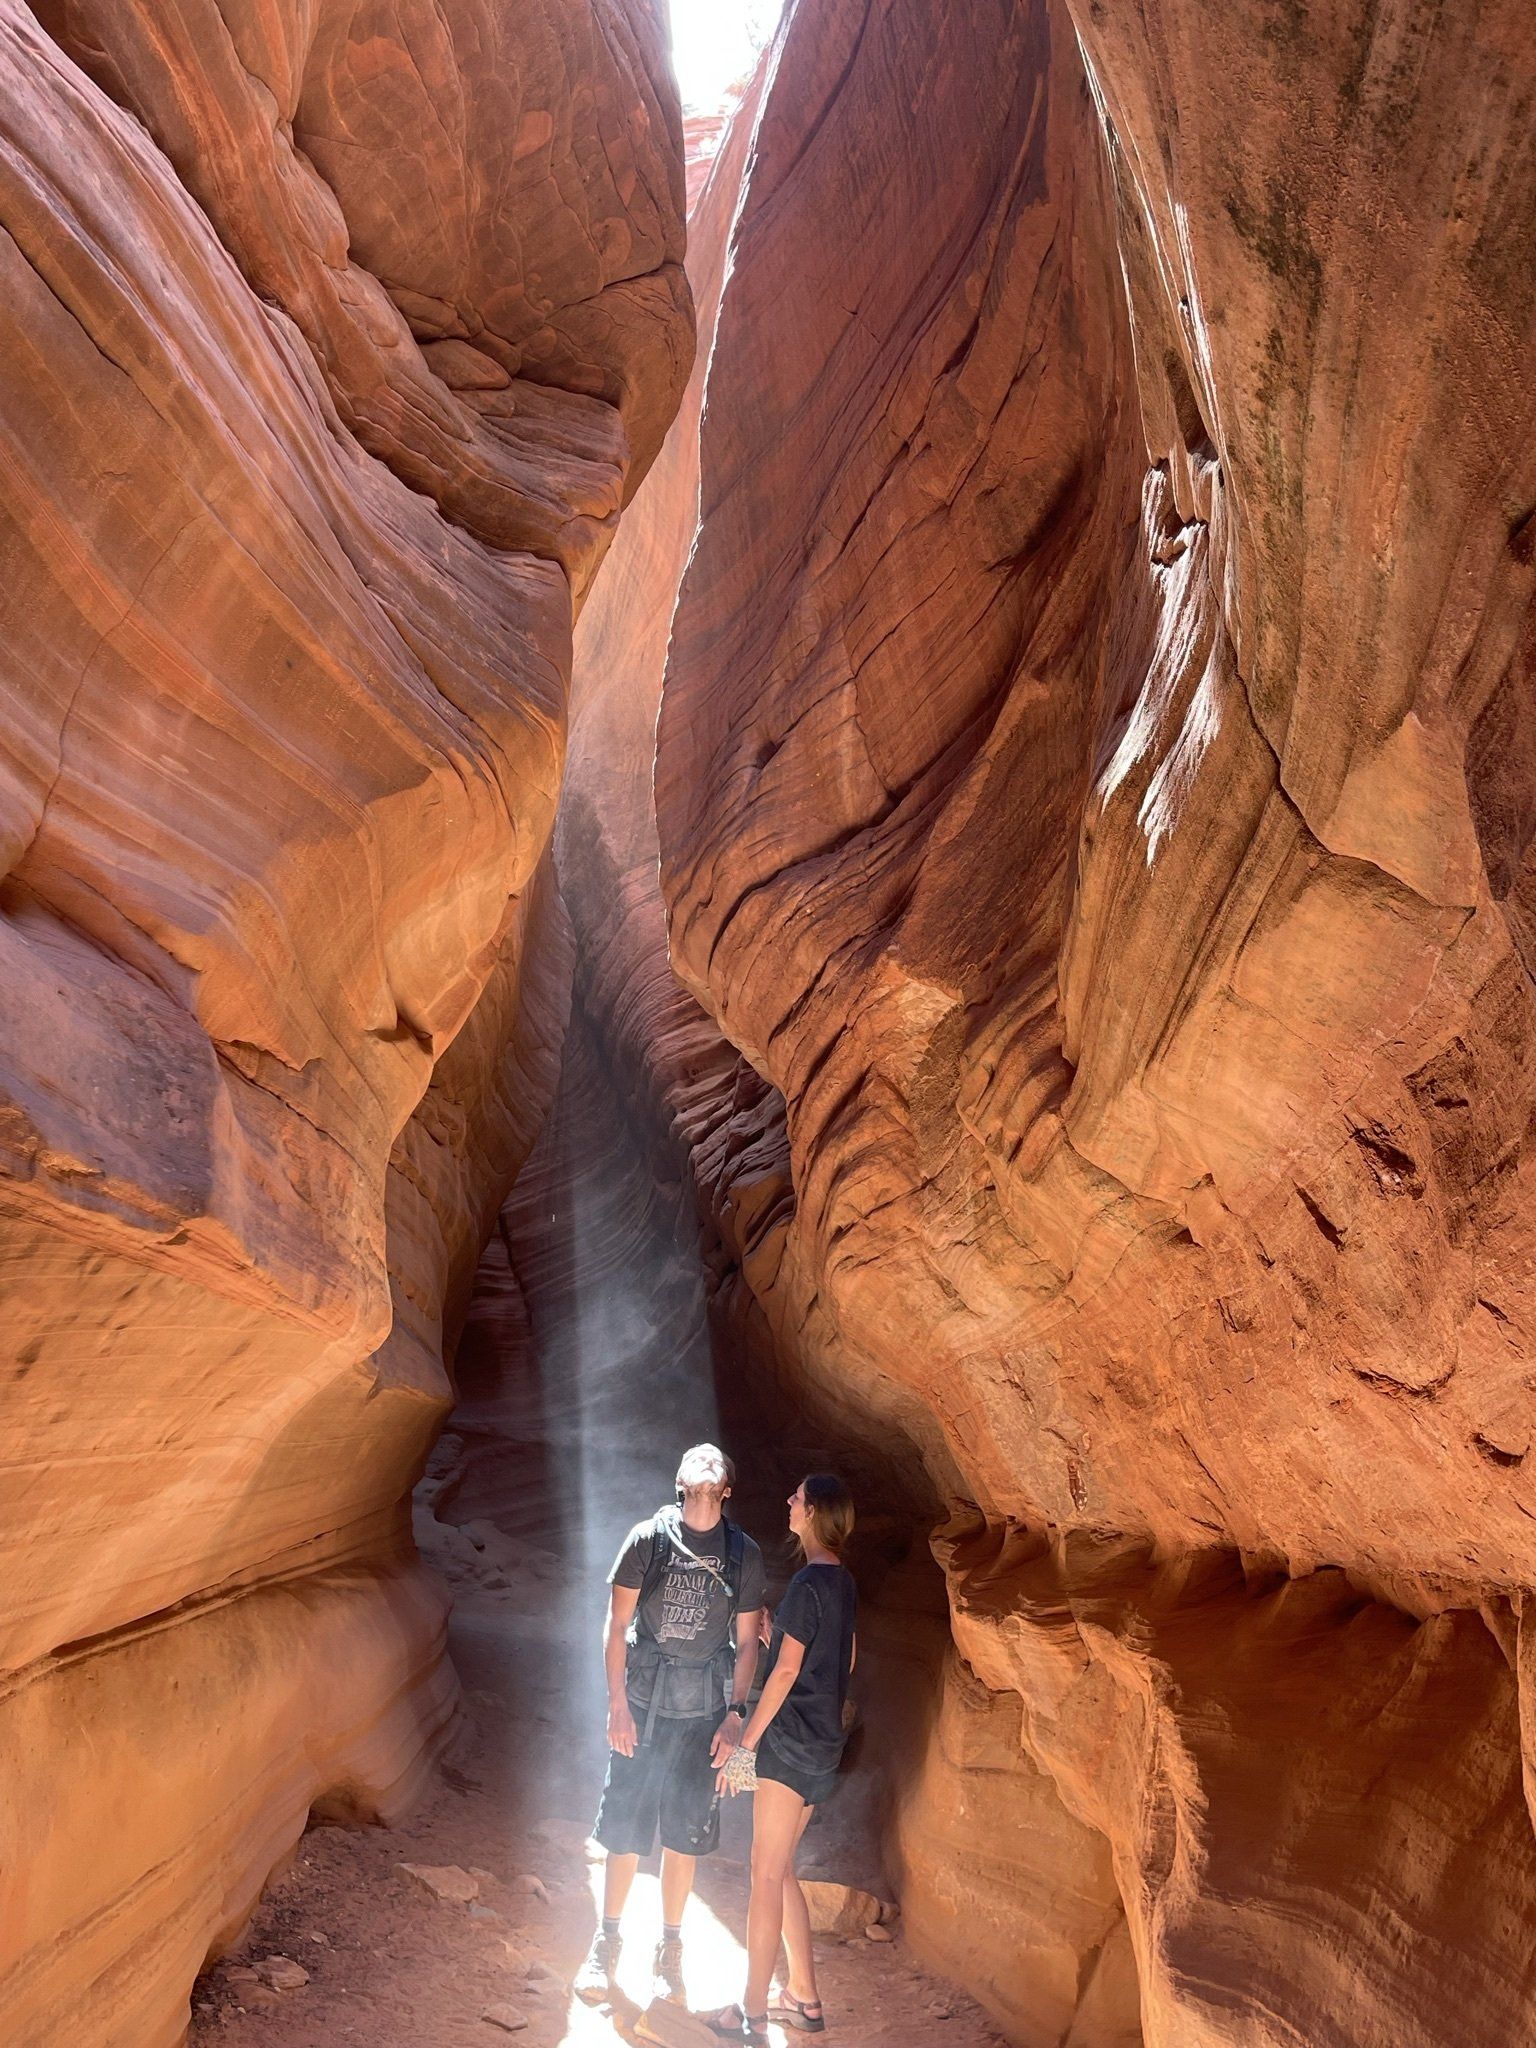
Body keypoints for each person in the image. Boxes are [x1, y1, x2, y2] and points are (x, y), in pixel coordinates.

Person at [575, 1444, 766, 2008]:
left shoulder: (743, 1553)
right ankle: (606, 1941)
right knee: (624, 1832)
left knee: (684, 1836)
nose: (707, 1464)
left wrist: (735, 1715)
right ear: (680, 1482)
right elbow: (616, 1627)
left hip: (704, 1716)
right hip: (643, 1707)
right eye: (697, 1462)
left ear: (726, 1489)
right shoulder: (647, 1540)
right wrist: (616, 1705)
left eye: (716, 1464)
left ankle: (671, 1949)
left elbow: (749, 1640)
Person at [705, 1473, 857, 2044]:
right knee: (783, 1866)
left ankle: (751, 2014)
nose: (788, 1503)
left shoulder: (804, 1584)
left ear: (812, 1512)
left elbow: (790, 1672)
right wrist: (781, 1640)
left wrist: (747, 1744)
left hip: (789, 1749)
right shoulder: (844, 1584)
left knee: (763, 1874)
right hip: (823, 1748)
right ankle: (804, 1998)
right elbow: (839, 1663)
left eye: (795, 1498)